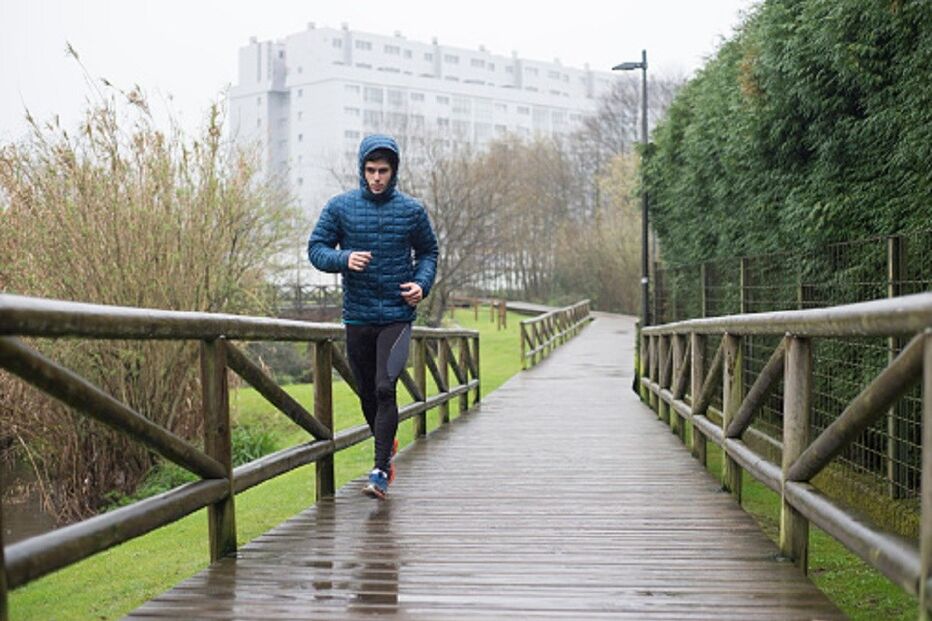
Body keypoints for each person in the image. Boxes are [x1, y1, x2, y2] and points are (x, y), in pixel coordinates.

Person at [308, 134, 438, 500]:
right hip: (358, 315)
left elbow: (429, 252)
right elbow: (316, 249)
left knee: (385, 387)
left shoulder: (412, 210)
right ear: (361, 170)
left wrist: (421, 285)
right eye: (370, 170)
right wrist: (344, 258)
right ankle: (387, 439)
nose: (376, 177)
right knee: (367, 392)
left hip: (397, 314)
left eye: (383, 171)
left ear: (393, 171)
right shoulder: (340, 208)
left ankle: (381, 469)